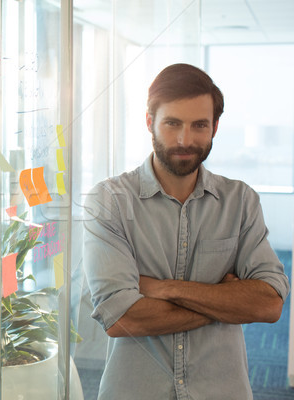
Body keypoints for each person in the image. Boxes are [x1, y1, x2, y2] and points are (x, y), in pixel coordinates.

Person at [83, 63, 290, 400]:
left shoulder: (240, 201)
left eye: (199, 125)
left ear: (215, 127)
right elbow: (121, 319)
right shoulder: (109, 201)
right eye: (172, 123)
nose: (185, 139)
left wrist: (162, 289)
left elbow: (268, 305)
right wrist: (226, 302)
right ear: (149, 122)